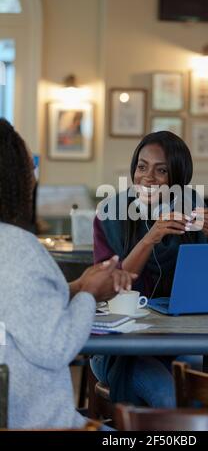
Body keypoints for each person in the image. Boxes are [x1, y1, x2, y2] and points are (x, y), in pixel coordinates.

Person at [0, 118, 137, 429]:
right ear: (12, 176)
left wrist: (76, 287)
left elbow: (17, 307)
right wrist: (90, 295)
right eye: (27, 164)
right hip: (40, 423)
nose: (33, 175)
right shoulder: (15, 247)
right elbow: (56, 347)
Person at [91, 131, 208, 407]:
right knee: (168, 396)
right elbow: (107, 290)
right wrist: (151, 237)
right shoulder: (110, 213)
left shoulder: (192, 210)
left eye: (161, 171)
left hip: (175, 342)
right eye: (142, 167)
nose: (147, 178)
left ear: (178, 179)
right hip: (118, 350)